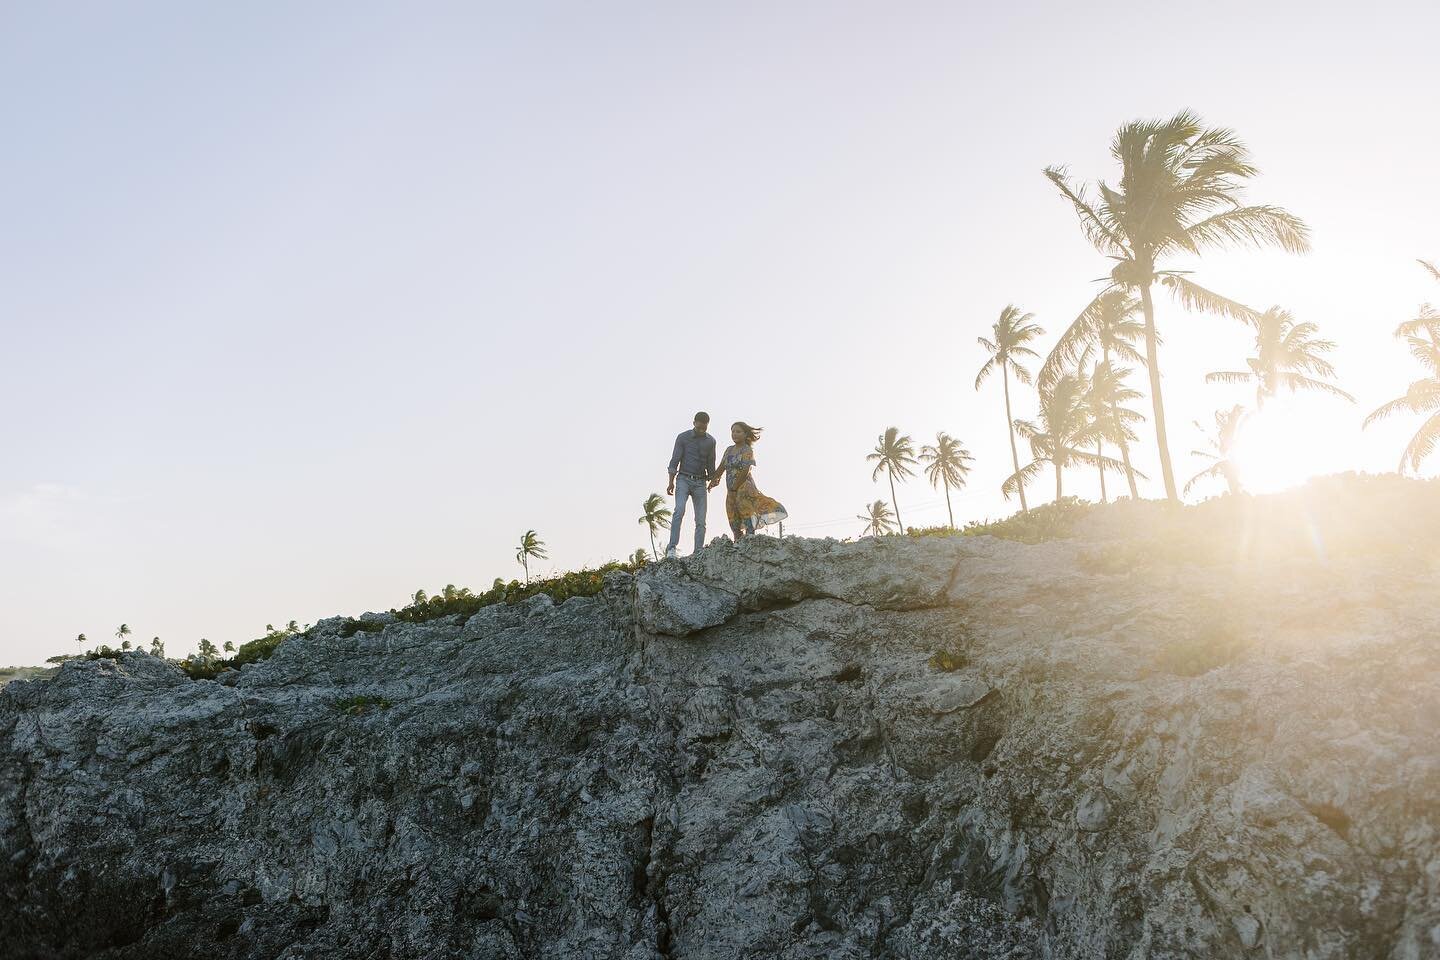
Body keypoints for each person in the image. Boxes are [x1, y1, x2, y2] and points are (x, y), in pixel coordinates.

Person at [711, 422, 788, 539]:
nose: (734, 434)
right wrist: (712, 480)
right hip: (731, 489)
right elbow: (722, 467)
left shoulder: (747, 450)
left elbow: (745, 470)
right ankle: (738, 543)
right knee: (732, 514)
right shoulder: (729, 450)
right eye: (733, 431)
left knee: (745, 512)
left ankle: (750, 540)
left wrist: (735, 487)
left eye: (738, 431)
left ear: (745, 434)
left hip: (744, 488)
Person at [665, 411, 717, 559]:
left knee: (701, 519)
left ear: (707, 425)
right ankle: (672, 548)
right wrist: (670, 482)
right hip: (683, 479)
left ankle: (698, 552)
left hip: (700, 482)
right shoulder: (683, 437)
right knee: (679, 510)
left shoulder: (711, 441)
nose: (701, 430)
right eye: (699, 426)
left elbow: (711, 464)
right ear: (694, 423)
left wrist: (713, 480)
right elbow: (674, 461)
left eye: (704, 427)